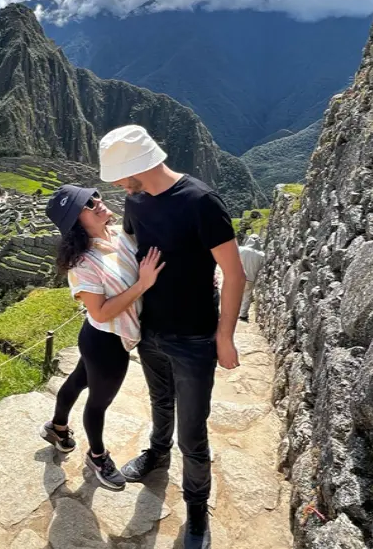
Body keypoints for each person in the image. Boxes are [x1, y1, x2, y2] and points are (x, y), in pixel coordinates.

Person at [99, 125, 246, 549]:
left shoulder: (201, 202)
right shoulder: (136, 201)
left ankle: (196, 509)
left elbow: (234, 274)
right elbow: (130, 249)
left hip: (195, 336)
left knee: (193, 432)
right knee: (160, 402)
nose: (118, 186)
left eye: (120, 177)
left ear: (137, 166)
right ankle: (157, 454)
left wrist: (225, 337)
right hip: (152, 329)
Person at [40, 184, 165, 490]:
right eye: (86, 204)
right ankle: (97, 456)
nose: (96, 202)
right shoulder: (83, 264)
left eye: (94, 196)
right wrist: (142, 285)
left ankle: (57, 427)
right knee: (98, 403)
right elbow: (100, 312)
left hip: (96, 338)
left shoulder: (119, 235)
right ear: (76, 222)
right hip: (106, 343)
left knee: (77, 381)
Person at [238, 234, 265, 322]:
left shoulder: (240, 249)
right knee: (247, 296)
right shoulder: (261, 255)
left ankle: (232, 312)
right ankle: (243, 315)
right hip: (250, 278)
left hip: (238, 276)